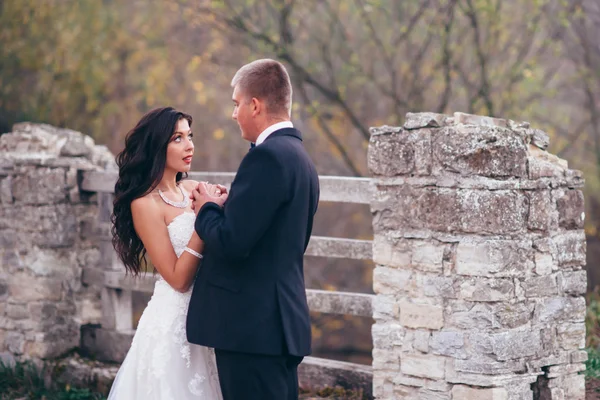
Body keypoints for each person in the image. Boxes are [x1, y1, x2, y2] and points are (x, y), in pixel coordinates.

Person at [187, 59, 320, 400]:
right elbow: (274, 235)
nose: (234, 114)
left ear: (255, 105)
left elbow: (232, 242)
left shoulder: (267, 157)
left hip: (252, 329)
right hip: (277, 325)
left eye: (236, 104)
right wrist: (233, 205)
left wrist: (207, 208)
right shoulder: (299, 157)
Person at [108, 107, 223, 399]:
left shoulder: (194, 188)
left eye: (190, 136)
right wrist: (203, 222)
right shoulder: (144, 204)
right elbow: (177, 279)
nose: (189, 145)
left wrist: (223, 203)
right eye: (177, 138)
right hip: (174, 324)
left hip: (209, 314)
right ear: (157, 146)